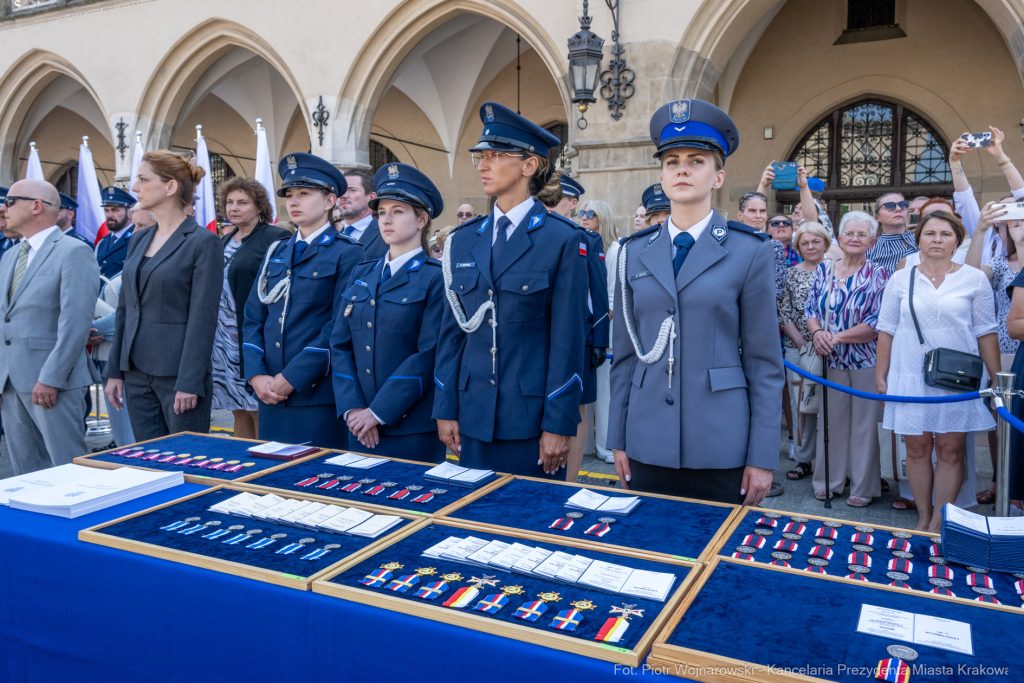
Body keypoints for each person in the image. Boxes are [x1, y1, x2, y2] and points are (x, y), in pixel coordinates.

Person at [608, 98, 783, 505]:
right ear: (662, 175)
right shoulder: (633, 252)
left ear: (718, 177)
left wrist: (761, 455)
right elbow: (624, 356)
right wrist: (617, 437)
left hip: (720, 440)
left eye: (696, 160)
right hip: (647, 434)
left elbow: (764, 364)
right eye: (672, 161)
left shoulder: (749, 251)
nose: (682, 168)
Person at [433, 102, 589, 478]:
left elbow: (568, 340)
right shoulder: (464, 240)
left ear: (529, 165)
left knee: (528, 525)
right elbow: (452, 334)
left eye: (496, 155)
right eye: (481, 157)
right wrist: (446, 406)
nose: (484, 165)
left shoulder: (560, 239)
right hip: (472, 414)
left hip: (530, 418)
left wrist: (558, 423)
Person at [876, 212, 1000, 532]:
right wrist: (881, 376)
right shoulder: (901, 278)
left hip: (957, 378)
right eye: (930, 233)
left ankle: (939, 519)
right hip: (908, 374)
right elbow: (886, 329)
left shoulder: (974, 278)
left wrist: (997, 377)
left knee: (949, 449)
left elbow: (987, 332)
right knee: (917, 449)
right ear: (918, 240)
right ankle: (922, 516)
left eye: (945, 234)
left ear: (957, 241)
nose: (937, 240)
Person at [242, 153, 364, 448]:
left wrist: (292, 377)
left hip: (315, 395)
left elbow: (338, 326)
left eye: (304, 193)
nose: (293, 201)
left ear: (329, 201)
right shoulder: (276, 252)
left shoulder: (348, 253)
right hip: (269, 393)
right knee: (272, 482)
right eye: (290, 195)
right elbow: (253, 317)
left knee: (314, 482)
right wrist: (257, 374)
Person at [331, 163, 446, 462]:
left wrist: (378, 412)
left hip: (411, 428)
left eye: (397, 211)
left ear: (421, 219)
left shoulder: (436, 277)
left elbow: (428, 354)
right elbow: (340, 345)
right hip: (358, 426)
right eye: (381, 212)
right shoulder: (362, 273)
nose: (386, 219)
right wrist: (354, 408)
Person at [104, 152, 223, 440]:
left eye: (143, 179)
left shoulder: (203, 242)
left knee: (186, 462)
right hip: (135, 371)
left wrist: (190, 381)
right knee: (149, 463)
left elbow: (202, 318)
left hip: (177, 376)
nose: (135, 187)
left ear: (170, 187)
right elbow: (125, 309)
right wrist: (115, 370)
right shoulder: (139, 238)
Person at [0, 179, 100, 474]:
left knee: (66, 470)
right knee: (27, 473)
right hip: (10, 381)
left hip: (52, 381)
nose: (4, 209)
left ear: (36, 206)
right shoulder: (10, 256)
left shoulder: (72, 251)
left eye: (10, 201)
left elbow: (75, 321)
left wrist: (52, 377)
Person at [805, 210, 888, 506]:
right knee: (829, 422)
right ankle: (829, 481)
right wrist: (817, 334)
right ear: (839, 238)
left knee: (865, 426)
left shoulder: (879, 274)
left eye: (861, 234)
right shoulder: (824, 270)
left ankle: (863, 488)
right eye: (849, 233)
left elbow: (877, 321)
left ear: (872, 241)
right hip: (830, 359)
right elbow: (811, 309)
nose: (854, 238)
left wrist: (836, 337)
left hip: (865, 359)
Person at [541, 176, 609, 482]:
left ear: (573, 203)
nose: (553, 204)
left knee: (576, 405)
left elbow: (599, 290)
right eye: (548, 198)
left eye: (559, 199)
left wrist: (599, 339)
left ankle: (570, 476)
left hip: (579, 336)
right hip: (540, 334)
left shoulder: (587, 239)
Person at [213, 177, 290, 440]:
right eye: (230, 202)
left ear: (259, 207)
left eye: (242, 203)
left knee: (257, 407)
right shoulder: (224, 239)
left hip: (251, 336)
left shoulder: (275, 237)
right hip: (222, 339)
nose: (233, 208)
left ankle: (263, 465)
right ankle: (242, 467)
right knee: (237, 408)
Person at [779, 222, 831, 481]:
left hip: (834, 349)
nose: (811, 247)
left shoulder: (838, 270)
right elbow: (784, 312)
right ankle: (803, 460)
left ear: (826, 243)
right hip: (797, 349)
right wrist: (801, 342)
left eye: (816, 241)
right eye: (805, 243)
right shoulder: (790, 275)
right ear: (798, 246)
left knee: (832, 408)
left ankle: (831, 461)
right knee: (803, 407)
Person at [951, 126, 1024, 265]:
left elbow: (1021, 193)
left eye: (1015, 206)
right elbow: (966, 201)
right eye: (1001, 207)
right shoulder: (985, 237)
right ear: (994, 219)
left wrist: (999, 155)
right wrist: (954, 163)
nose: (1007, 210)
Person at [579, 199, 617, 465]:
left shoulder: (614, 250)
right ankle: (588, 444)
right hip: (588, 328)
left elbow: (612, 298)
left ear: (602, 218)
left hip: (607, 331)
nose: (584, 217)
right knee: (588, 394)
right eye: (581, 212)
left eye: (590, 213)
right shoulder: (585, 246)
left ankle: (605, 446)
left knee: (604, 393)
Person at [337, 169, 386, 259]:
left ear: (371, 197)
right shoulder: (332, 237)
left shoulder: (386, 235)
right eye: (341, 191)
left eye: (352, 190)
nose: (343, 195)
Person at [865, 192, 916, 274]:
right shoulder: (869, 248)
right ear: (877, 218)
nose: (898, 209)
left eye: (903, 204)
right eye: (889, 206)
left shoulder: (922, 242)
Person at [95, 187, 136, 278]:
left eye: (115, 210)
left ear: (130, 213)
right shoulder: (102, 242)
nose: (109, 215)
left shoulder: (137, 239)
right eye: (106, 210)